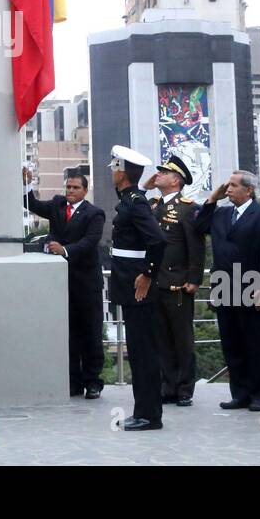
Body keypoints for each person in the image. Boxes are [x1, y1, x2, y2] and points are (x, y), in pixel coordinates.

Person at [195, 169, 260, 411]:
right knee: (231, 343)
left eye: (232, 185)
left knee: (256, 343)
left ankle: (259, 395)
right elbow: (198, 226)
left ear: (248, 189)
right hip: (223, 286)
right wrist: (212, 198)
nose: (227, 189)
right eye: (227, 185)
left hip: (252, 285)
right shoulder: (220, 214)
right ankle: (239, 393)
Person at [23, 166, 107, 399]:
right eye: (68, 187)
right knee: (69, 334)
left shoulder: (94, 214)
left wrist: (64, 250)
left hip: (87, 283)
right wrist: (26, 184)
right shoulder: (58, 205)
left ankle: (93, 381)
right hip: (63, 283)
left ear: (85, 190)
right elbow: (33, 205)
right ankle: (73, 381)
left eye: (75, 188)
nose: (70, 191)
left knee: (91, 332)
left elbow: (90, 242)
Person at [105, 145, 165, 430]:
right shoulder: (131, 198)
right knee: (139, 350)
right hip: (128, 282)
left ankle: (149, 415)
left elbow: (157, 241)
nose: (112, 173)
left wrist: (147, 274)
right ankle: (143, 411)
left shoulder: (136, 202)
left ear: (121, 172)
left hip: (138, 285)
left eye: (115, 168)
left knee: (144, 353)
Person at [146, 151, 204, 407]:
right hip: (156, 281)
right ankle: (167, 385)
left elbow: (196, 246)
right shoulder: (154, 205)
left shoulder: (188, 208)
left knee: (181, 339)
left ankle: (184, 388)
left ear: (176, 180)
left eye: (165, 172)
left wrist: (194, 278)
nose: (158, 174)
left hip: (178, 282)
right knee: (161, 338)